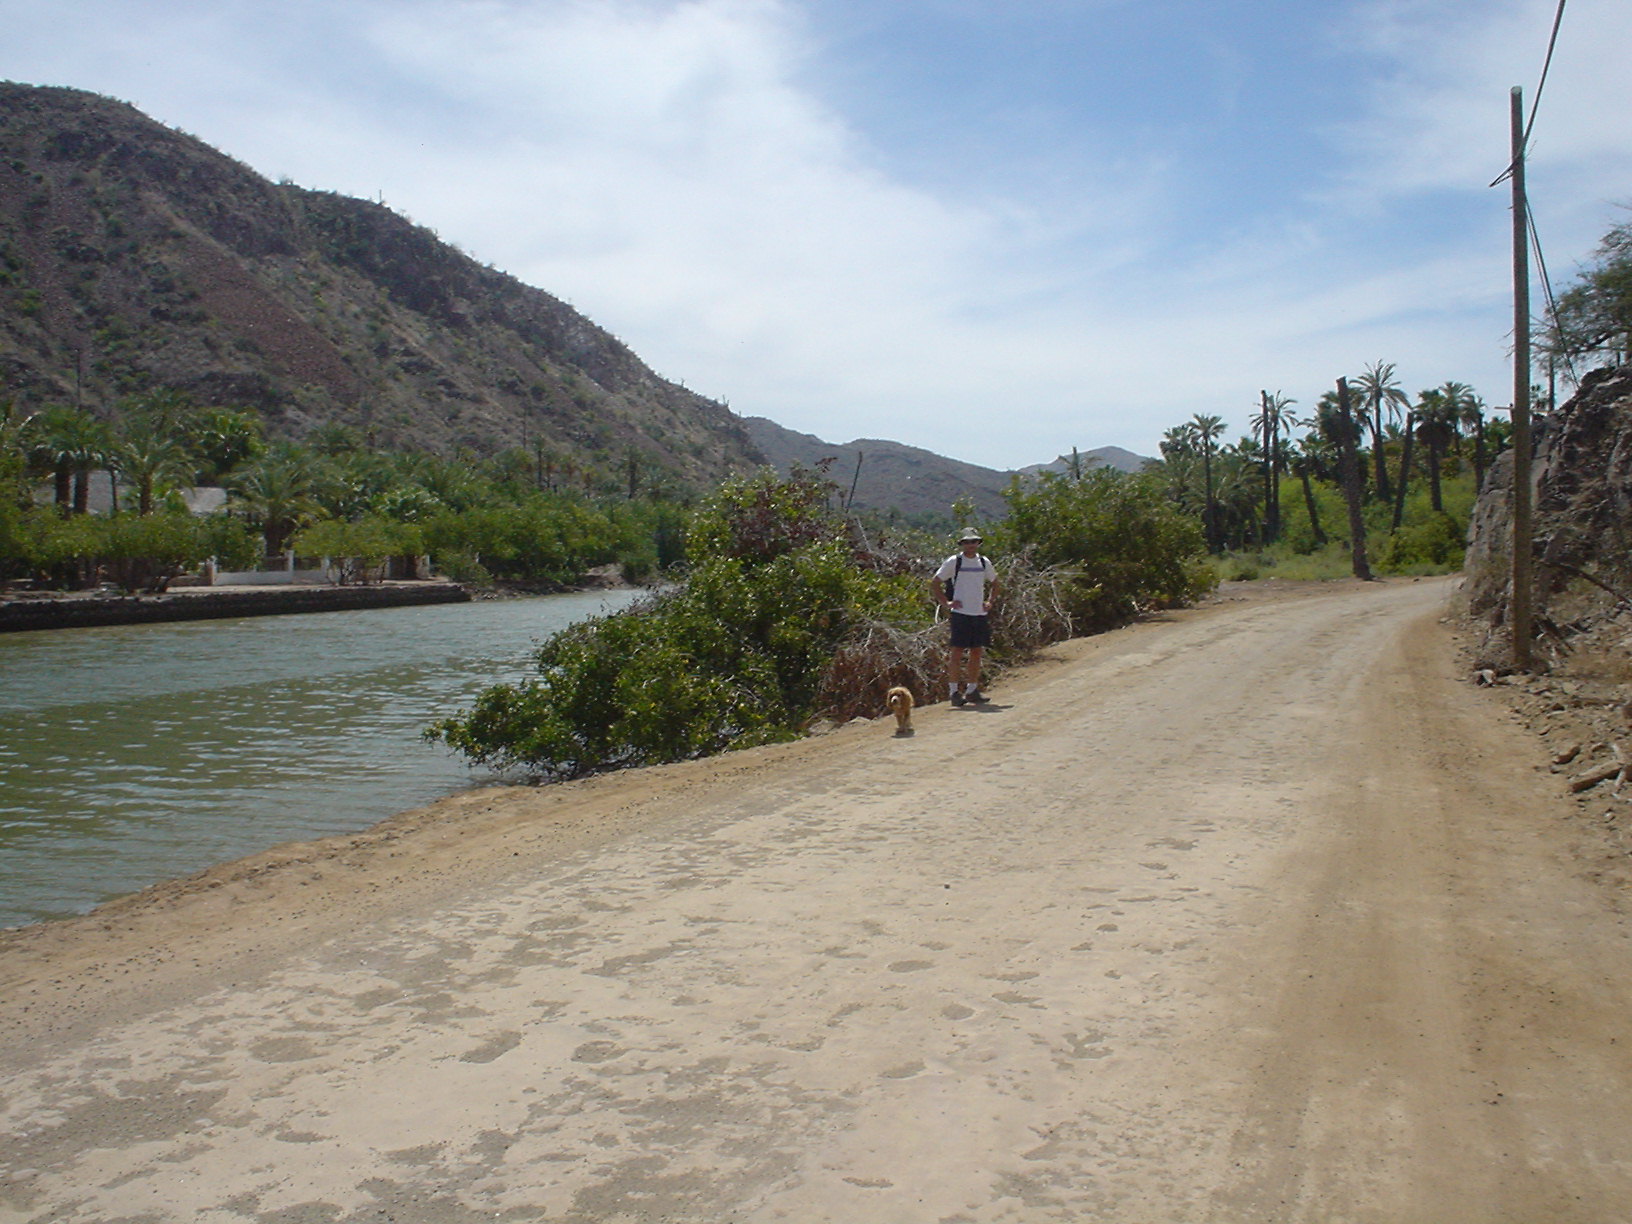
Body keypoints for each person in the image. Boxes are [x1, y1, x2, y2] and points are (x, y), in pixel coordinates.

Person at [931, 529, 1000, 706]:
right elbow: (935, 582)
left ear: (978, 543)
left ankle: (972, 690)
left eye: (974, 541)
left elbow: (995, 582)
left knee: (976, 652)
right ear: (962, 544)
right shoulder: (954, 561)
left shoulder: (984, 562)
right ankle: (954, 692)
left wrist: (990, 602)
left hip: (979, 613)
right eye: (967, 542)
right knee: (957, 652)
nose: (971, 545)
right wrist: (946, 603)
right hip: (961, 614)